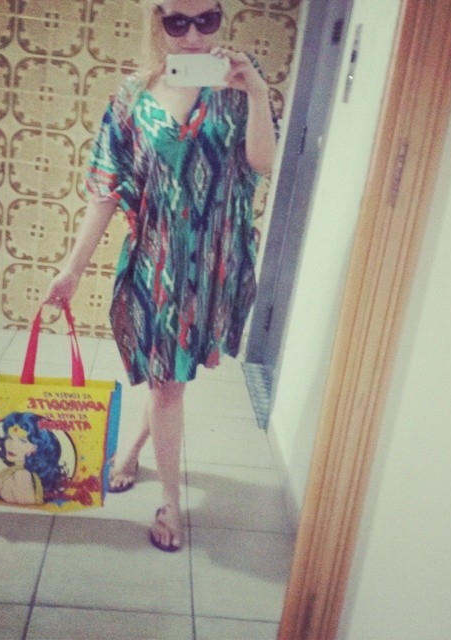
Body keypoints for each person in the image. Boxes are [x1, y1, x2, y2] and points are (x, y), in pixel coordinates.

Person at [45, 0, 277, 551]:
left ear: (220, 17)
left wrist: (257, 93)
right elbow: (105, 190)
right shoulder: (131, 97)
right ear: (158, 22)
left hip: (214, 265)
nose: (193, 36)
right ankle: (171, 503)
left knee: (170, 378)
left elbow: (263, 164)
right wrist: (72, 269)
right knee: (167, 383)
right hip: (156, 266)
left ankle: (130, 453)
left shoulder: (240, 86)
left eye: (206, 20)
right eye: (178, 22)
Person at [0, 412, 69, 505]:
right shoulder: (13, 471)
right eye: (9, 438)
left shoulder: (22, 475)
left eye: (23, 441)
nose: (12, 445)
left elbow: (30, 509)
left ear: (36, 447)